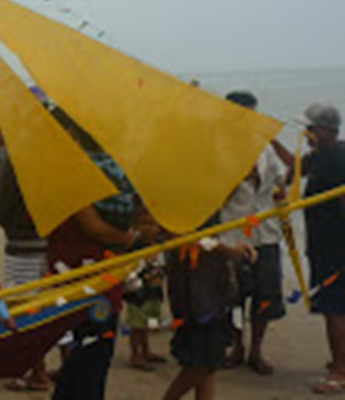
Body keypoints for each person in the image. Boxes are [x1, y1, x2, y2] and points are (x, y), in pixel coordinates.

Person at [46, 109, 141, 400]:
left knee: (85, 354)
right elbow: (94, 227)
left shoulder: (78, 168)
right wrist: (130, 238)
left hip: (84, 271)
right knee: (93, 353)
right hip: (89, 276)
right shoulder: (84, 172)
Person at [218, 90, 292, 375]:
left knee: (265, 297)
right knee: (233, 297)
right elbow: (209, 194)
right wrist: (235, 177)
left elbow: (279, 185)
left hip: (267, 234)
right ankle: (237, 346)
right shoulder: (218, 147)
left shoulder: (266, 148)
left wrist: (280, 196)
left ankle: (256, 351)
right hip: (233, 235)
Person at [0, 117, 53, 392]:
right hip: (46, 241)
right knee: (51, 304)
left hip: (23, 243)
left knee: (25, 309)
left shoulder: (15, 160)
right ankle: (59, 369)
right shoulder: (45, 157)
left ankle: (37, 373)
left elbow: (2, 203)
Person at [162, 220, 256, 400]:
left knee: (209, 361)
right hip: (193, 289)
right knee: (204, 360)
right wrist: (225, 248)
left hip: (215, 284)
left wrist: (232, 246)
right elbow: (176, 233)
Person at [299, 103, 345, 394]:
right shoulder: (319, 155)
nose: (305, 133)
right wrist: (269, 141)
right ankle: (339, 362)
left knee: (335, 310)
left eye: (310, 129)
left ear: (326, 130)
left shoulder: (338, 160)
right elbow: (295, 168)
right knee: (334, 308)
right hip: (322, 245)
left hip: (336, 249)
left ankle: (340, 371)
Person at [124, 210, 167, 371]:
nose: (149, 228)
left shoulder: (160, 244)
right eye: (144, 224)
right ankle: (135, 354)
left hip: (154, 290)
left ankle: (146, 350)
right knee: (137, 324)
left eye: (152, 224)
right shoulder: (135, 245)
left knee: (149, 321)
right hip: (137, 292)